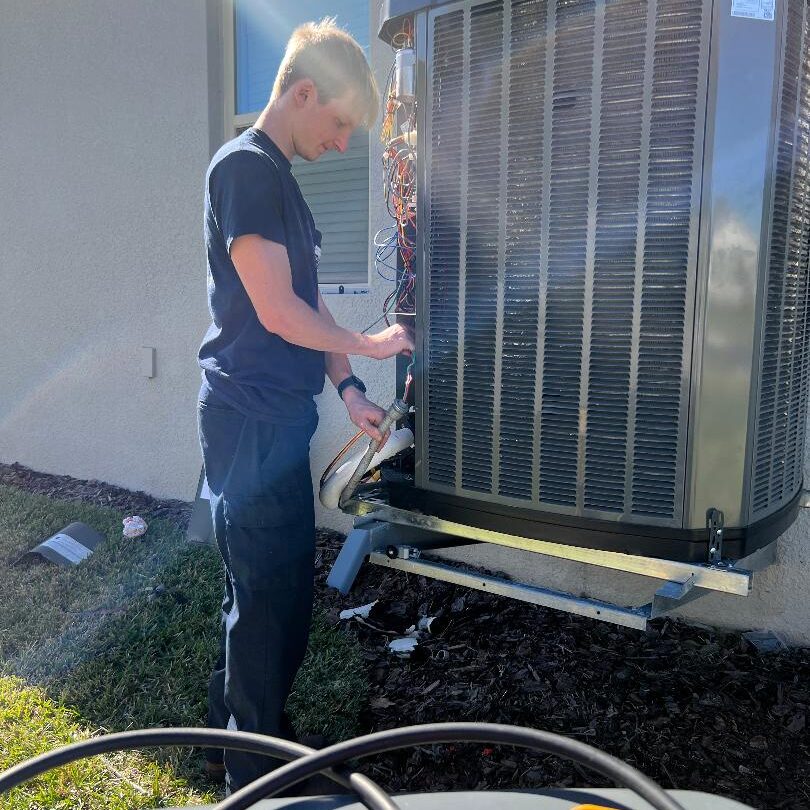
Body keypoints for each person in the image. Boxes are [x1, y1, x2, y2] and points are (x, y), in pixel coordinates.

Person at [196, 17, 414, 794]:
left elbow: (309, 300)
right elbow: (280, 313)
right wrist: (378, 344)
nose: (346, 142)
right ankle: (252, 781)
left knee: (277, 593)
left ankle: (251, 738)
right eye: (341, 123)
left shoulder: (280, 181)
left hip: (276, 419)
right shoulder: (245, 169)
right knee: (264, 600)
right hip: (250, 421)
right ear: (303, 91)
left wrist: (350, 388)